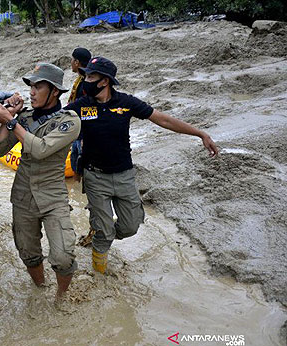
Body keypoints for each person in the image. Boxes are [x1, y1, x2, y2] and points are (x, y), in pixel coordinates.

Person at [64, 57, 219, 273]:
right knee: (104, 230)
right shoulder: (81, 106)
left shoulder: (126, 103)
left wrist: (199, 133)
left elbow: (163, 120)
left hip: (124, 176)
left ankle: (101, 234)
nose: (85, 80)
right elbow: (57, 121)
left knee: (130, 227)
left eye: (90, 76)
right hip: (95, 177)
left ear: (104, 81)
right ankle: (99, 273)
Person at [0, 63, 80, 298]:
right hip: (23, 196)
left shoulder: (69, 121)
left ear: (54, 91)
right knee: (27, 252)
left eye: (38, 87)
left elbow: (41, 149)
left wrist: (12, 123)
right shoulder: (25, 118)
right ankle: (40, 290)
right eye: (30, 86)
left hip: (53, 197)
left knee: (63, 255)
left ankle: (61, 298)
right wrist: (8, 117)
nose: (31, 92)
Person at [68, 48, 92, 181]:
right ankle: (77, 194)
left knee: (82, 165)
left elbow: (88, 108)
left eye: (72, 60)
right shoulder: (80, 80)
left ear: (77, 62)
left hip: (83, 133)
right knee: (75, 165)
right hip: (78, 130)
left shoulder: (85, 84)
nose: (70, 62)